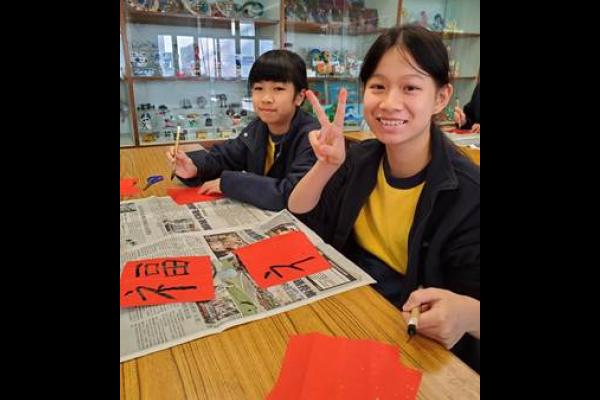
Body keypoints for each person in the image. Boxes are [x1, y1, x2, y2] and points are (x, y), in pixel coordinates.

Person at [288, 25, 480, 372]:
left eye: (410, 88)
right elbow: (301, 215)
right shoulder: (361, 157)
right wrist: (325, 166)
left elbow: (470, 304)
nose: (390, 103)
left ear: (441, 97)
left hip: (419, 348)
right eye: (378, 86)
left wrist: (467, 313)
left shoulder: (468, 192)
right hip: (353, 308)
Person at [167, 50, 320, 211]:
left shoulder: (313, 137)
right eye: (258, 88)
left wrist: (230, 183)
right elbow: (225, 157)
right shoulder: (259, 127)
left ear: (299, 97)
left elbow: (292, 194)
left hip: (303, 222)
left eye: (278, 89)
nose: (266, 98)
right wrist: (195, 168)